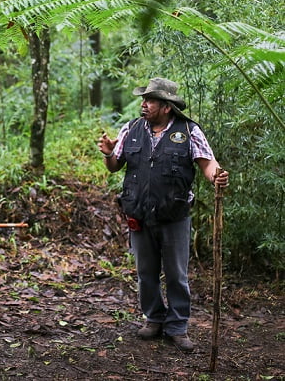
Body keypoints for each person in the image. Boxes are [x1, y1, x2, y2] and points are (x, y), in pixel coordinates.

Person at [98, 77, 229, 352]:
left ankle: (177, 327)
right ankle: (154, 319)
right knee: (146, 272)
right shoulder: (132, 129)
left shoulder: (189, 131)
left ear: (166, 107)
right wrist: (109, 154)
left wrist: (216, 176)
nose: (144, 105)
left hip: (174, 216)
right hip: (139, 215)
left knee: (176, 274)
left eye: (150, 101)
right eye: (144, 100)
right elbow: (114, 165)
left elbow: (207, 162)